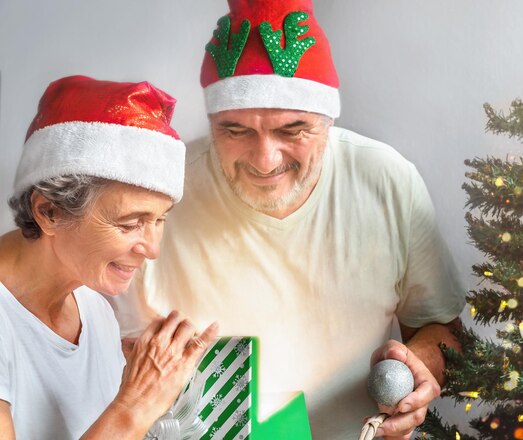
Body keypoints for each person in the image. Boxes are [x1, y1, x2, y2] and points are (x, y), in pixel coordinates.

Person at [111, 0, 466, 438]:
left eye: (292, 129)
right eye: (235, 130)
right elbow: (97, 352)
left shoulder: (387, 181)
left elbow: (442, 329)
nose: (264, 160)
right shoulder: (159, 193)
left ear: (328, 119)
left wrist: (420, 366)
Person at [0, 75, 218, 439]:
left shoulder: (96, 313)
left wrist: (157, 394)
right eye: (131, 223)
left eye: (159, 219)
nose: (152, 249)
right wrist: (135, 405)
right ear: (50, 212)